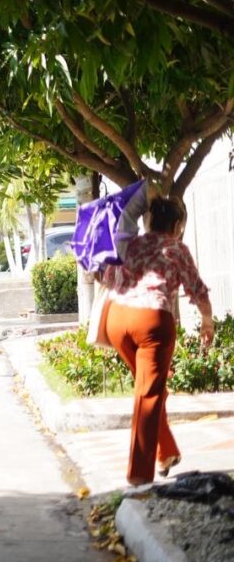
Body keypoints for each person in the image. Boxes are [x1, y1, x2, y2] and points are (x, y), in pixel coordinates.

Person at [101, 183, 214, 487]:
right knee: (149, 397)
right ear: (177, 225)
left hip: (117, 320)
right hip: (152, 322)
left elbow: (109, 276)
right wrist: (207, 320)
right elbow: (197, 289)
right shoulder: (176, 248)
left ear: (149, 221)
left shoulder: (131, 243)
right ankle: (139, 479)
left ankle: (166, 452)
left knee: (147, 390)